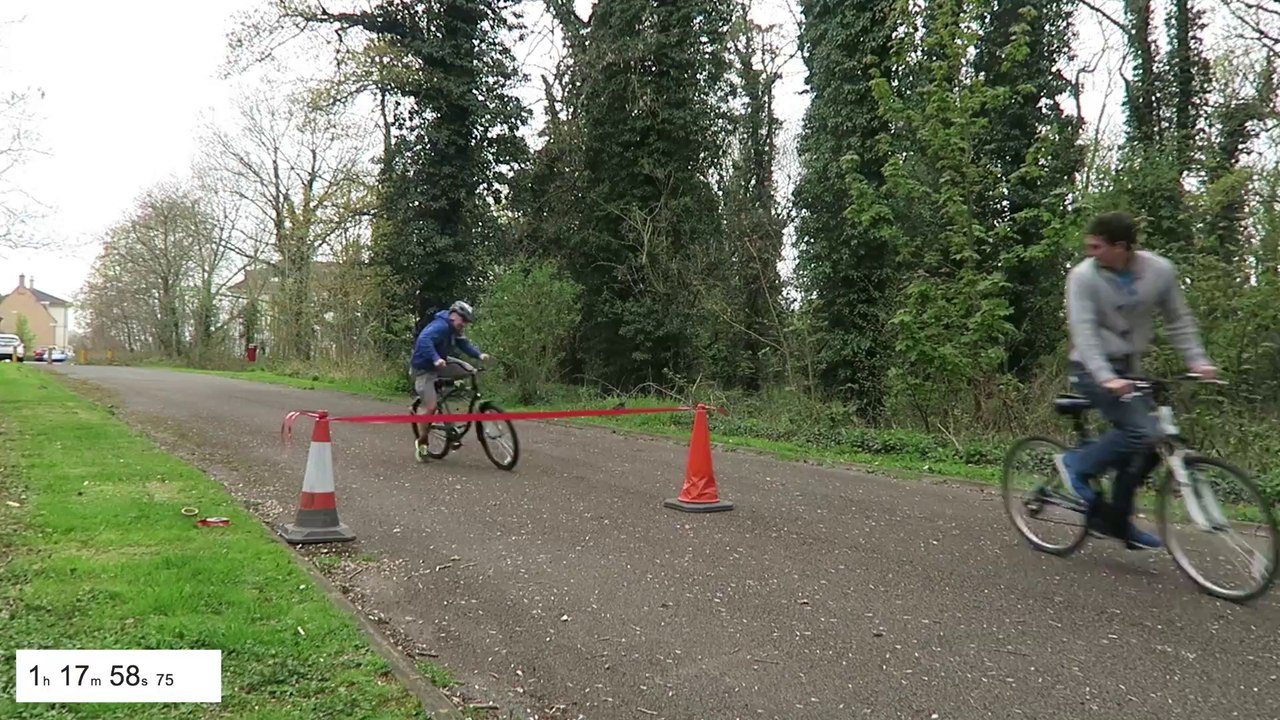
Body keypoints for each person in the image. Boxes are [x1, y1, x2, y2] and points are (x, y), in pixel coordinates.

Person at [1061, 211, 1217, 550]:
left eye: (1097, 246)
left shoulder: (1159, 272)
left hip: (1131, 367)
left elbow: (1178, 320)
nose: (1091, 253)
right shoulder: (1083, 278)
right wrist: (1105, 378)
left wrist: (1198, 360)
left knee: (1154, 444)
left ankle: (1117, 518)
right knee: (1139, 431)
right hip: (1090, 367)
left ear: (1122, 247)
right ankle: (1076, 465)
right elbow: (1084, 332)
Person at [409, 300, 491, 457]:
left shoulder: (454, 329)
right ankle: (422, 442)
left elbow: (464, 345)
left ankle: (448, 389)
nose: (465, 324)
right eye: (464, 320)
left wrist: (479, 355)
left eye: (467, 321)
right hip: (423, 370)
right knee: (431, 408)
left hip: (440, 363)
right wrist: (435, 358)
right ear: (454, 315)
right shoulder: (440, 326)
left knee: (470, 370)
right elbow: (424, 340)